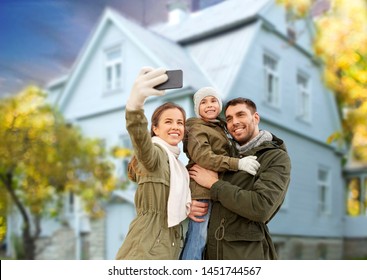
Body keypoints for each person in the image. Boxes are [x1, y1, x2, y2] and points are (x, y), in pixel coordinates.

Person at [188, 97, 291, 260]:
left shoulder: (275, 158)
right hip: (209, 253)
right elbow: (191, 177)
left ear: (255, 118)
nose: (234, 122)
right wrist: (187, 204)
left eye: (240, 115)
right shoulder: (222, 155)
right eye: (229, 118)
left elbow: (261, 207)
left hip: (245, 255)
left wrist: (214, 185)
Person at [115, 67, 191, 260]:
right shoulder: (156, 155)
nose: (175, 126)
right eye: (168, 122)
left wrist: (191, 206)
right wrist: (135, 105)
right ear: (155, 129)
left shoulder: (178, 167)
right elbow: (141, 140)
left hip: (167, 248)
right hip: (146, 251)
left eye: (180, 122)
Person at [180, 88, 260, 260]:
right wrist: (238, 163)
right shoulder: (195, 128)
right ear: (197, 108)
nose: (209, 105)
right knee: (198, 239)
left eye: (213, 100)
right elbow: (204, 158)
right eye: (203, 102)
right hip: (202, 192)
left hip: (216, 190)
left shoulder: (219, 126)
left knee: (209, 240)